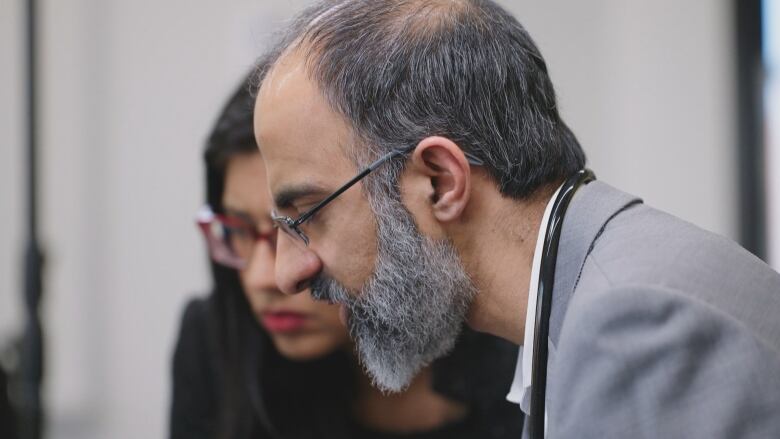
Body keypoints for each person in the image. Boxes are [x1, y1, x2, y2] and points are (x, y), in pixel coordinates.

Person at [251, 1, 780, 437]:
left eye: (306, 215)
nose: (285, 273)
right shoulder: (587, 298)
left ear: (439, 182)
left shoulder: (633, 325)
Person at [169, 71, 523, 439]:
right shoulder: (216, 343)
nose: (266, 278)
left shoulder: (525, 359)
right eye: (238, 230)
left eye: (305, 222)